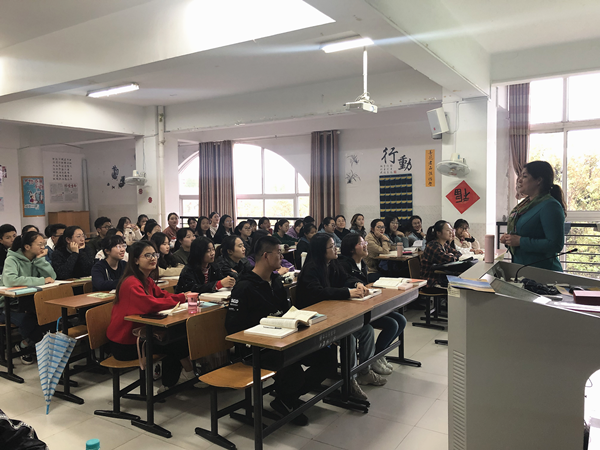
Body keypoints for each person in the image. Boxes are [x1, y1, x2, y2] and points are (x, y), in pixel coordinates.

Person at [226, 236, 337, 425]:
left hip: (284, 339)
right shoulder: (244, 287)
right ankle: (287, 397)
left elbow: (287, 312)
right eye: (278, 252)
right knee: (292, 368)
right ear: (266, 256)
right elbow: (233, 327)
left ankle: (287, 397)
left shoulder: (276, 281)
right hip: (258, 348)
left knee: (327, 358)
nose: (282, 256)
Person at [296, 234, 385, 400]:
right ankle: (349, 379)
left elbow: (346, 277)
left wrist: (356, 283)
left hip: (333, 313)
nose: (335, 249)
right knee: (348, 337)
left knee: (367, 330)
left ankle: (364, 371)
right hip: (316, 320)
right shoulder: (311, 269)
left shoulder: (333, 263)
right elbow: (320, 292)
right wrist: (347, 293)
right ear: (321, 251)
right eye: (331, 247)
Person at [106, 241, 195, 393]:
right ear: (135, 260)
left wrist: (182, 296)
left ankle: (182, 376)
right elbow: (150, 305)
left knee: (177, 336)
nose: (153, 258)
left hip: (139, 336)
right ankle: (172, 384)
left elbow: (162, 295)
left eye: (154, 254)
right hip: (125, 343)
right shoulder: (131, 282)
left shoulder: (146, 279)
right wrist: (180, 299)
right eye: (147, 255)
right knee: (173, 343)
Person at [339, 233, 407, 376]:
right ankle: (373, 358)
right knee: (392, 324)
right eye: (361, 243)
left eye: (365, 242)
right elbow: (347, 281)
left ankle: (377, 354)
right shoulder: (343, 265)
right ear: (351, 249)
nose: (366, 245)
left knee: (401, 320)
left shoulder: (362, 262)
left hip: (366, 305)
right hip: (355, 311)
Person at [0, 231, 56, 363]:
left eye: (43, 244)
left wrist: (40, 260)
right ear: (27, 247)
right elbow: (10, 280)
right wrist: (41, 280)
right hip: (7, 305)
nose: (43, 247)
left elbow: (52, 277)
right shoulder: (12, 259)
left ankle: (24, 345)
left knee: (50, 317)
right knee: (28, 321)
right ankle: (39, 350)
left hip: (28, 302)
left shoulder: (36, 259)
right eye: (39, 244)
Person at [500, 160, 566, 271]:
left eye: (524, 176)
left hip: (543, 272)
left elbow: (555, 244)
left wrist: (520, 241)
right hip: (522, 270)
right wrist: (510, 240)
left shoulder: (550, 205)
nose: (519, 180)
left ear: (539, 180)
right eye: (520, 176)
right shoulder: (525, 206)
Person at [421, 220, 462, 287]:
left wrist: (452, 256)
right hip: (431, 281)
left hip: (440, 278)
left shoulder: (444, 245)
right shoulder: (433, 246)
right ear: (439, 233)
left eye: (451, 230)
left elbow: (459, 253)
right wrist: (451, 257)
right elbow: (448, 259)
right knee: (458, 286)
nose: (451, 232)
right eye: (448, 230)